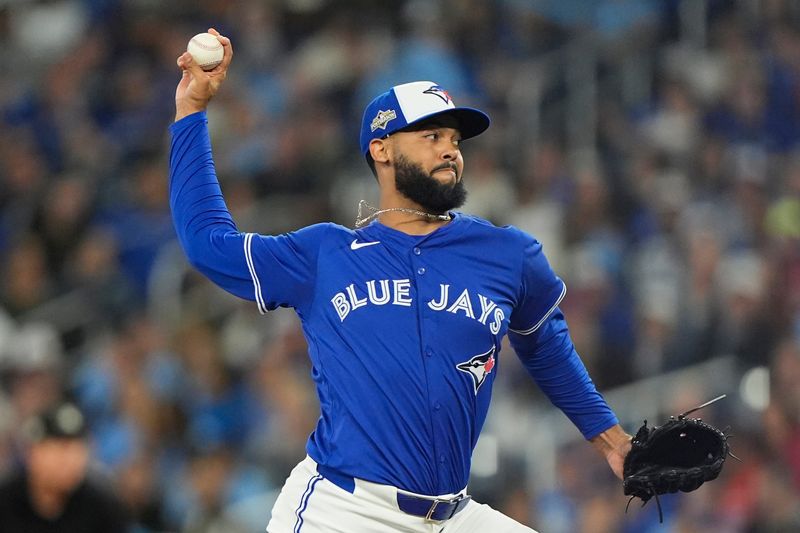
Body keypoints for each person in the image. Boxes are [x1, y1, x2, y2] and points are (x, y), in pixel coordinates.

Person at [169, 28, 632, 533]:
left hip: (454, 516)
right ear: (382, 149)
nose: (450, 151)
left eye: (455, 140)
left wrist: (614, 443)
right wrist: (191, 110)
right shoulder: (325, 254)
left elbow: (545, 347)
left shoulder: (507, 254)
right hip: (344, 512)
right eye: (431, 136)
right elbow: (206, 243)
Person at [0, 401, 131, 532]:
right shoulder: (5, 500)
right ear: (32, 452)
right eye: (61, 449)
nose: (71, 461)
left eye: (78, 451)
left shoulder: (102, 506)